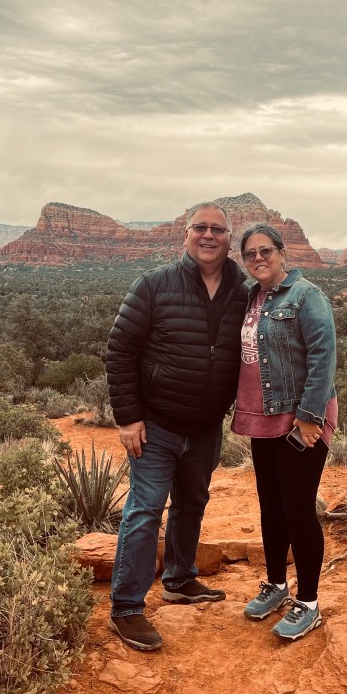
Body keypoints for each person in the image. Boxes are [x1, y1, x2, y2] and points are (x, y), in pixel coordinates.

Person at [105, 201, 248, 651]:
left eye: (218, 230)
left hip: (205, 427)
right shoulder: (154, 285)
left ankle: (180, 579)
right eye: (200, 228)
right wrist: (128, 417)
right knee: (145, 509)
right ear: (185, 235)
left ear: (229, 240)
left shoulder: (242, 292)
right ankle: (127, 607)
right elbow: (120, 350)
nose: (209, 236)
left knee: (192, 503)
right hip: (156, 424)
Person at [231, 222, 337, 641]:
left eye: (265, 251)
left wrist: (310, 415)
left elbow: (324, 354)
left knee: (298, 508)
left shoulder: (306, 295)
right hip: (262, 417)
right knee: (271, 506)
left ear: (282, 253)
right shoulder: (251, 297)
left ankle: (308, 603)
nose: (258, 258)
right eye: (250, 253)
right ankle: (276, 584)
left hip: (299, 419)